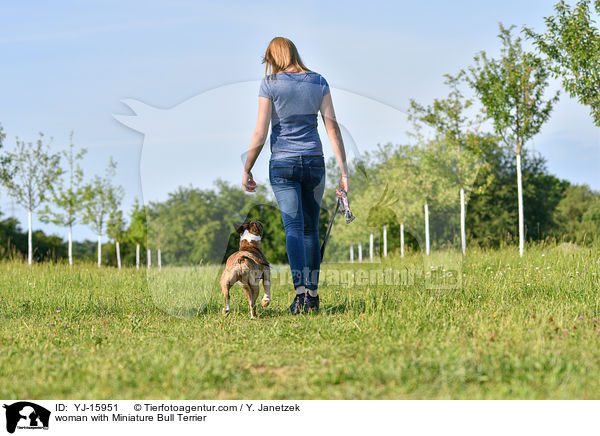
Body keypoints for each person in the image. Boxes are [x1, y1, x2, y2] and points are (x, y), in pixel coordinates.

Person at [242, 36, 349, 314]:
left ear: (274, 57)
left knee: (293, 228)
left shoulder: (271, 84)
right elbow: (333, 130)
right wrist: (344, 172)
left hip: (283, 165)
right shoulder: (319, 81)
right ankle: (312, 297)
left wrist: (247, 167)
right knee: (310, 229)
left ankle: (299, 294)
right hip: (314, 162)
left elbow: (260, 133)